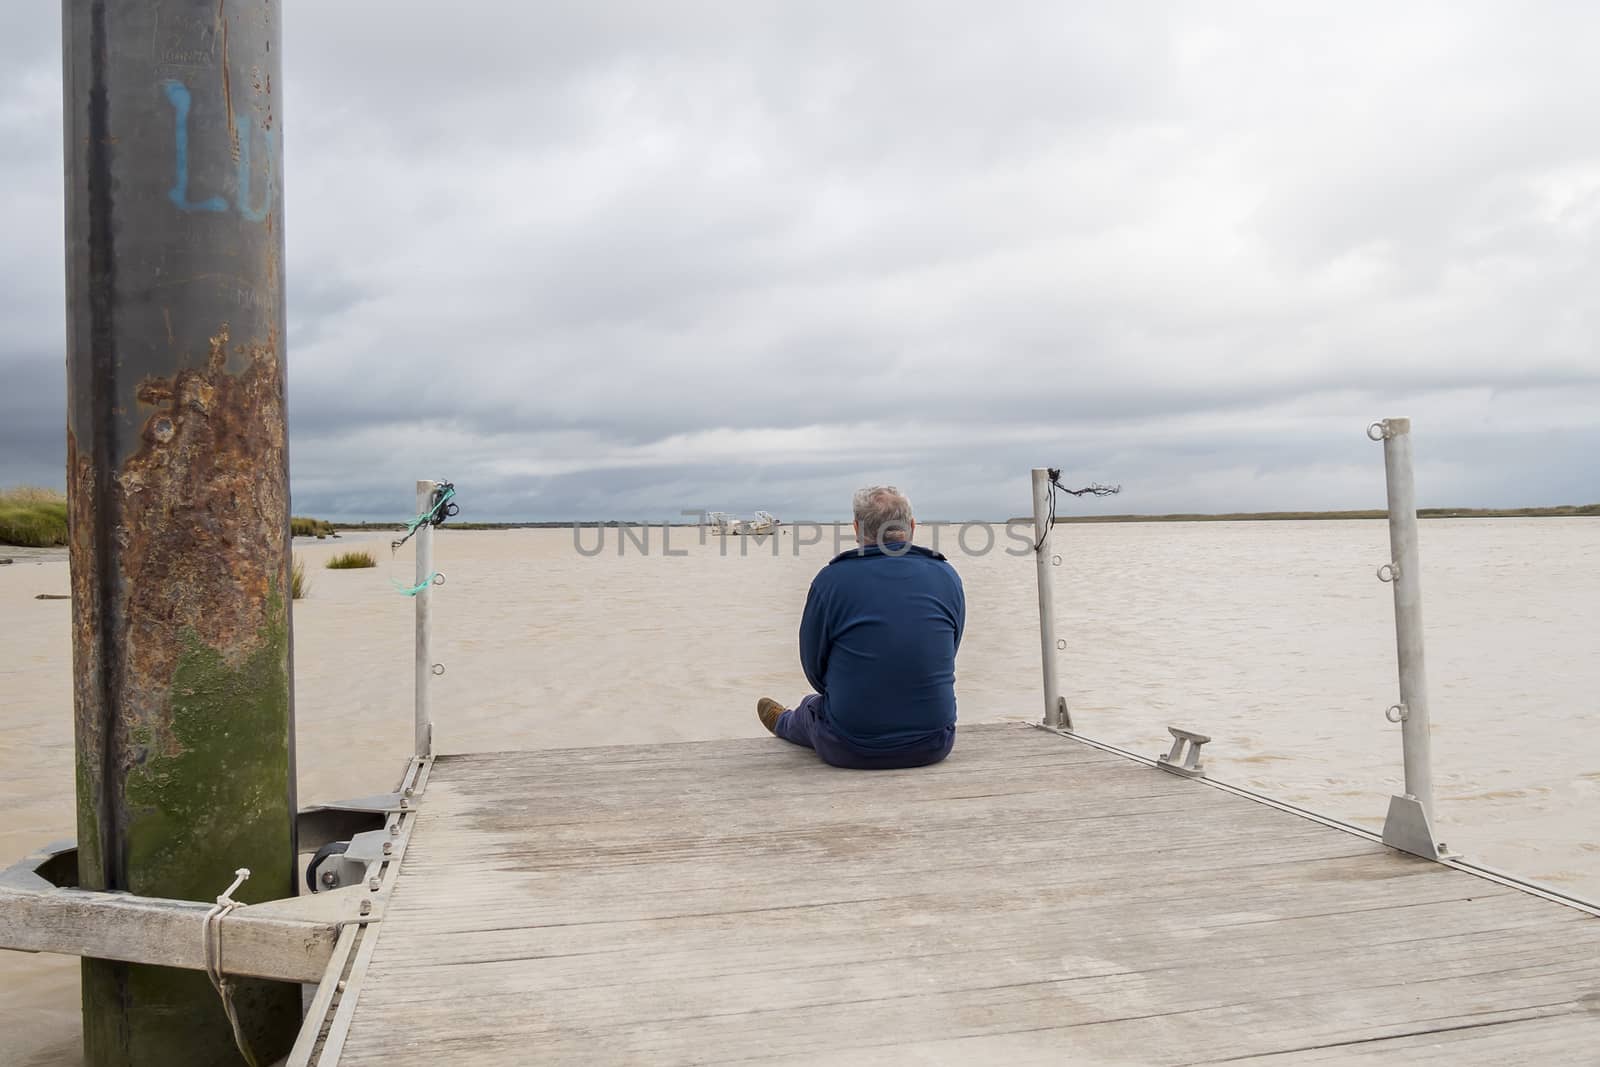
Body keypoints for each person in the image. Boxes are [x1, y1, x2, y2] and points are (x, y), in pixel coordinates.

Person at [756, 485, 964, 769]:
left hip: (850, 747)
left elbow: (814, 668)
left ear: (856, 527)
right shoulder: (947, 575)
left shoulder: (830, 580)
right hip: (934, 743)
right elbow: (949, 651)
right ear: (912, 526)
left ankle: (784, 722)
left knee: (811, 708)